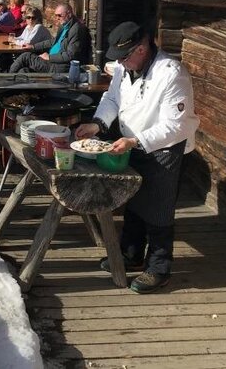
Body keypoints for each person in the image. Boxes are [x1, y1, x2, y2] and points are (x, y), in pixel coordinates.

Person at [75, 22, 199, 294]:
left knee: (158, 208)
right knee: (133, 198)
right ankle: (131, 254)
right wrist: (97, 124)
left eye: (124, 57)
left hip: (165, 148)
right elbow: (112, 99)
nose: (119, 63)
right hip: (132, 142)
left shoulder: (172, 74)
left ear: (141, 49)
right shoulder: (124, 67)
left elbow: (176, 126)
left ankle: (159, 268)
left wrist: (136, 141)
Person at [9, 4, 91, 74]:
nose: (57, 18)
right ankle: (13, 83)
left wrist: (49, 57)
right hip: (51, 61)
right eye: (56, 15)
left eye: (59, 15)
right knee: (23, 71)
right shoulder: (64, 26)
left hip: (59, 66)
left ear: (69, 14)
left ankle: (6, 79)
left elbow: (71, 55)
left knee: (25, 56)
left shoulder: (76, 29)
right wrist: (33, 47)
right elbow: (53, 41)